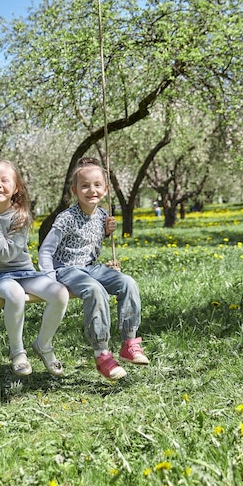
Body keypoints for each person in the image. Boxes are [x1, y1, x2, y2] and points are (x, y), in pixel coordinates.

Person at [38, 157, 149, 381]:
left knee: (128, 282)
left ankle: (129, 342)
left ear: (106, 189)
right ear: (75, 190)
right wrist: (49, 278)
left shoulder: (102, 215)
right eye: (85, 186)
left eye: (97, 185)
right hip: (67, 269)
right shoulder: (66, 218)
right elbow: (45, 249)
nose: (92, 190)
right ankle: (102, 354)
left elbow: (89, 239)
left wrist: (107, 232)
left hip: (90, 267)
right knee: (95, 290)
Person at [0, 159, 69, 378]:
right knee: (15, 294)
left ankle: (44, 344)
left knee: (60, 293)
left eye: (4, 180)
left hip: (25, 272)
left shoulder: (21, 216)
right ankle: (17, 352)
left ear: (16, 188)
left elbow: (7, 253)